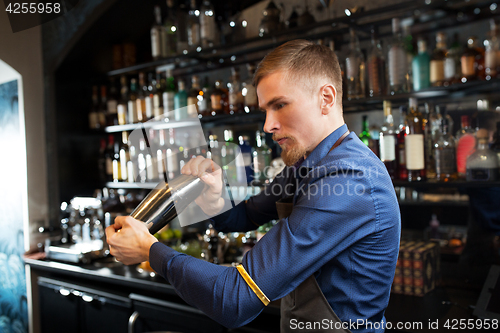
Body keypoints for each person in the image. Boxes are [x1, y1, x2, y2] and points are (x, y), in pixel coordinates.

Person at [106, 39, 401, 332]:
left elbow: (235, 299)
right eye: (265, 110)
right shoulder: (308, 165)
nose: (268, 125)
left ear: (326, 98)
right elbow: (245, 216)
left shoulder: (348, 179)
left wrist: (151, 251)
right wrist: (216, 196)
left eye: (280, 105)